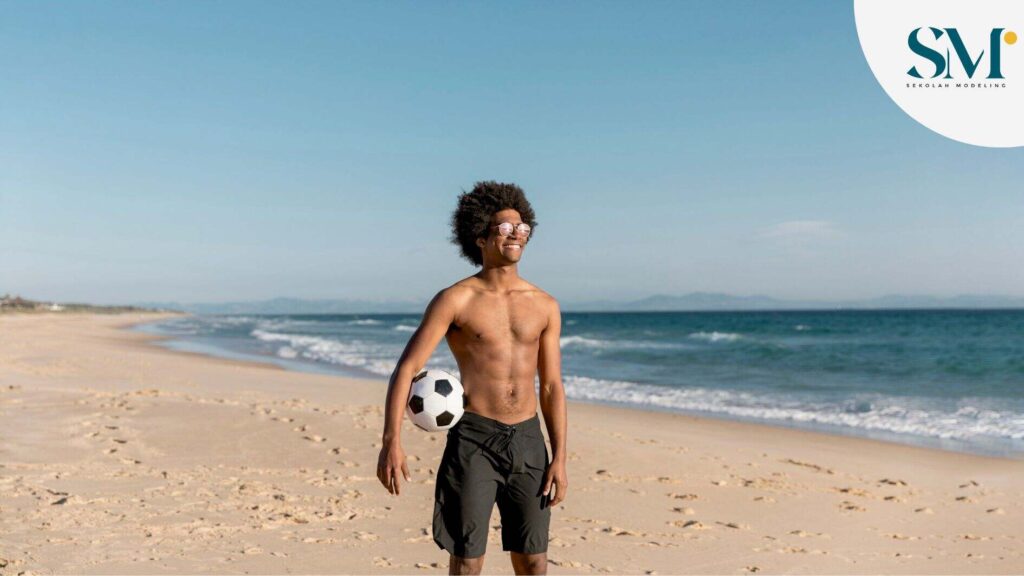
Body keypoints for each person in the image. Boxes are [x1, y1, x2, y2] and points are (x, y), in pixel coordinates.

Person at [377, 181, 568, 575]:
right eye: (504, 227)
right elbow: (407, 368)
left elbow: (550, 387)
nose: (515, 234)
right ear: (480, 237)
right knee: (467, 560)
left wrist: (560, 456)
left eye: (522, 228)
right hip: (475, 439)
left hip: (530, 441)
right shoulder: (456, 299)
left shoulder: (545, 305)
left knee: (534, 560)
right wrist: (391, 441)